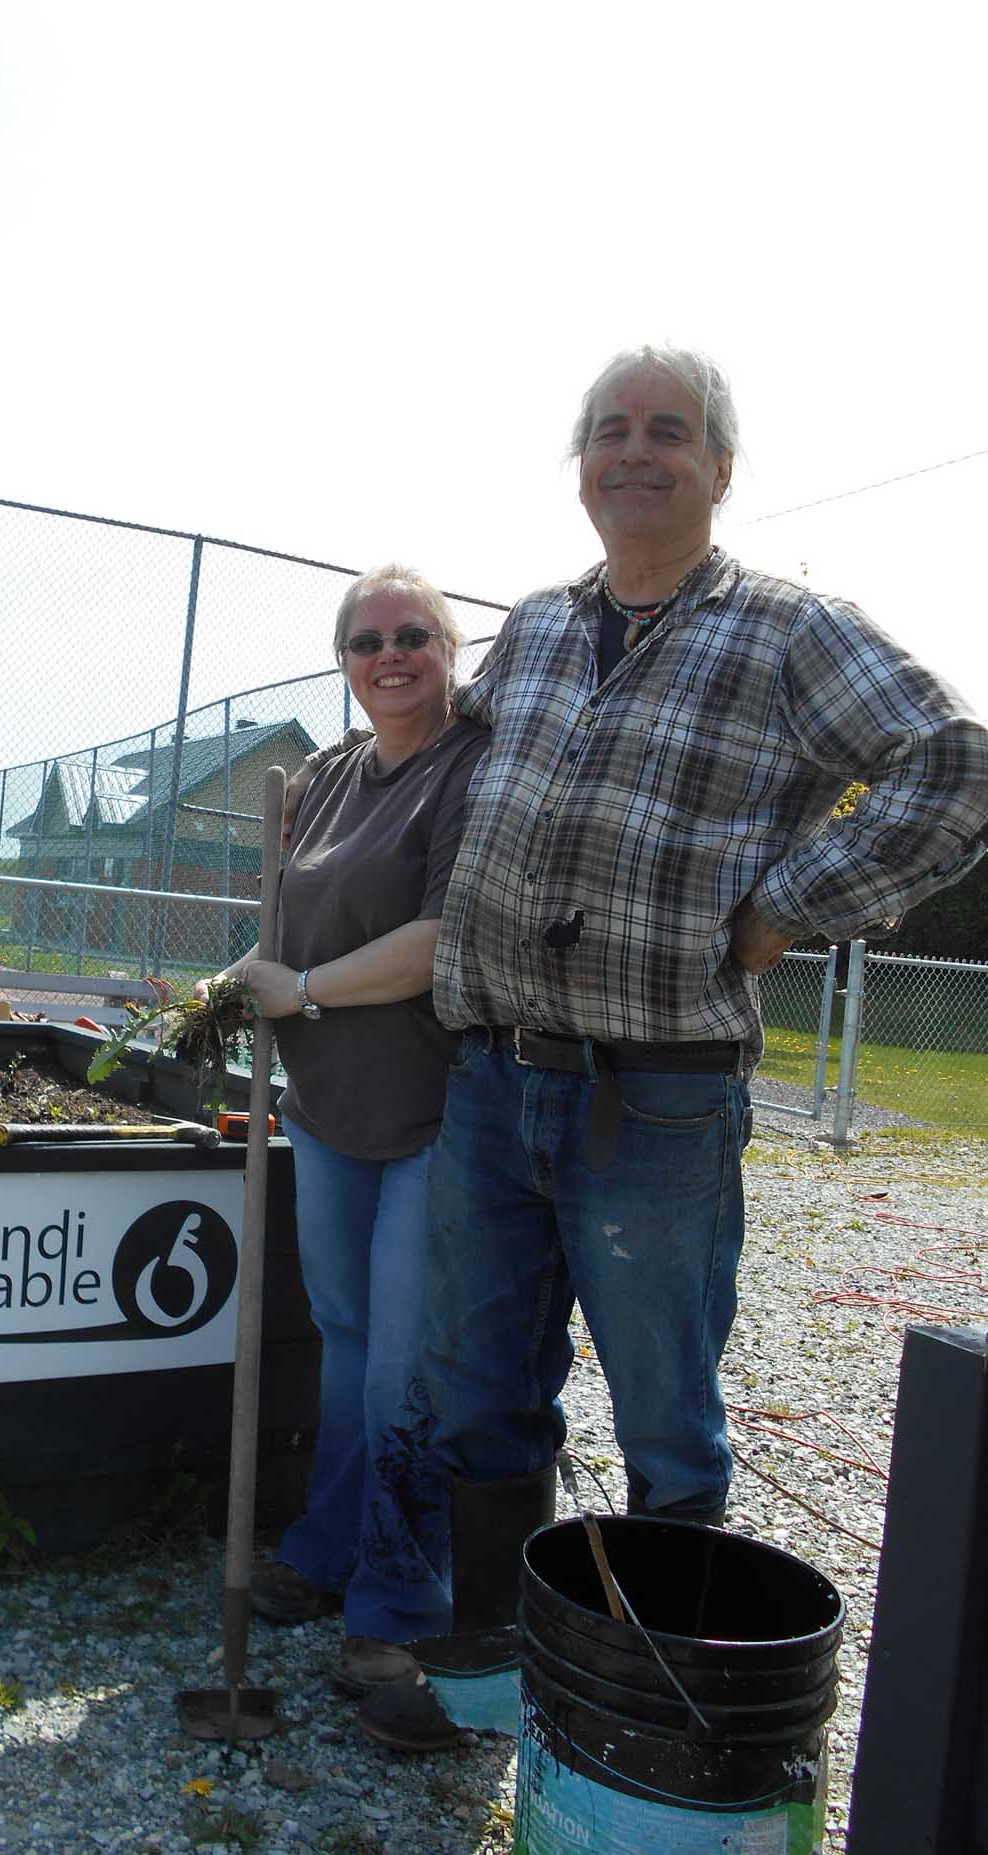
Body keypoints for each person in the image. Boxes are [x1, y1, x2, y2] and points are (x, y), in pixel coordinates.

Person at [289, 347, 988, 1750]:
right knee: (487, 1395)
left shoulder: (791, 630)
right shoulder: (539, 625)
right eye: (608, 431)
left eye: (669, 431)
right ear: (581, 467)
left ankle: (665, 1717)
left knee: (669, 1419)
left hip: (655, 1092)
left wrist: (788, 907)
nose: (634, 451)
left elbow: (952, 766)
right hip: (491, 1077)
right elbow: (441, 752)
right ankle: (491, 1673)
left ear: (720, 468)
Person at [201, 564, 488, 1708]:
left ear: (448, 646)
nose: (390, 654)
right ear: (344, 662)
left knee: (403, 1369)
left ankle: (398, 1599)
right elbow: (285, 917)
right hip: (325, 1110)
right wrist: (252, 974)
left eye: (412, 633)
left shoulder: (469, 770)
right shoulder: (324, 777)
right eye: (366, 640)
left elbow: (436, 938)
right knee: (346, 1334)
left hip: (432, 1111)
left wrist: (302, 990)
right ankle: (327, 1544)